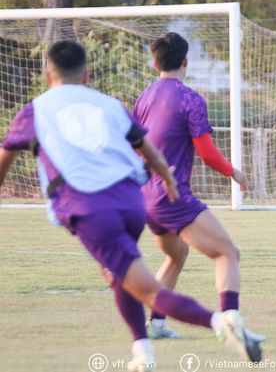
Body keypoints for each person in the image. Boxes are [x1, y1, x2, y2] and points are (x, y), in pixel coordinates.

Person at [0, 40, 251, 372]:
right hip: (135, 198)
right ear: (87, 75)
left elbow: (5, 160)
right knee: (138, 274)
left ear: (48, 75)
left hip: (110, 203)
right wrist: (175, 177)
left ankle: (215, 323)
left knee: (146, 280)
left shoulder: (40, 110)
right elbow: (152, 149)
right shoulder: (113, 104)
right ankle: (149, 346)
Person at [132, 32, 263, 359]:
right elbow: (206, 153)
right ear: (186, 61)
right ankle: (231, 321)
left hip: (144, 196)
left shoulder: (144, 97)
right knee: (227, 253)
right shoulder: (190, 99)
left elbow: (134, 147)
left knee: (176, 256)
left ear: (154, 62)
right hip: (171, 196)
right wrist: (234, 171)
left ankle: (157, 324)